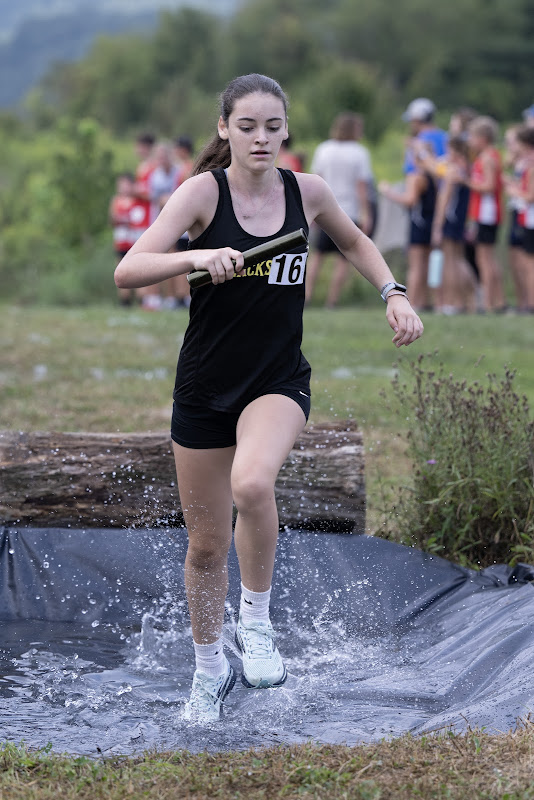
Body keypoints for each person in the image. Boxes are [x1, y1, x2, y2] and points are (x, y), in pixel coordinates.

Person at [114, 73, 423, 724]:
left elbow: (358, 241)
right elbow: (130, 268)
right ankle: (208, 672)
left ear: (287, 132)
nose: (261, 138)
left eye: (273, 127)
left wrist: (392, 292)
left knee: (253, 485)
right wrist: (195, 260)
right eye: (247, 126)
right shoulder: (201, 193)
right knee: (204, 546)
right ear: (224, 129)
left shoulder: (306, 192)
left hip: (277, 380)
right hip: (202, 387)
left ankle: (256, 623)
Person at [305, 112, 375, 307]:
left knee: (317, 256)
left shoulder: (324, 149)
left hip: (324, 210)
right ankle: (332, 301)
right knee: (343, 258)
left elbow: (316, 180)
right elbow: (362, 187)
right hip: (349, 211)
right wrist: (366, 213)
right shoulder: (359, 152)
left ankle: (307, 296)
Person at [379, 146, 437, 311]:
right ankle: (424, 300)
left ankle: (413, 302)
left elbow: (410, 200)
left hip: (418, 224)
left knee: (416, 265)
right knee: (425, 264)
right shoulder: (432, 176)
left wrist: (388, 192)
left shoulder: (417, 176)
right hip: (428, 223)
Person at [431, 137, 477, 313]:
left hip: (450, 218)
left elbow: (444, 199)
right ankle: (468, 299)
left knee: (450, 262)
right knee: (459, 259)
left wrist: (437, 225)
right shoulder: (467, 168)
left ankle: (453, 302)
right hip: (460, 219)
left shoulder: (453, 171)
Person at [466, 116, 506, 312]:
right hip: (484, 213)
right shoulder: (487, 156)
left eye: (473, 137)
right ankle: (497, 301)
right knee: (488, 258)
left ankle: (489, 303)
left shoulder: (488, 157)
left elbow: (489, 186)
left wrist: (465, 181)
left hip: (487, 213)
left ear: (483, 137)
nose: (471, 141)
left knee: (484, 259)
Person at [505, 125, 534, 312]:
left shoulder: (531, 164)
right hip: (526, 217)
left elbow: (530, 196)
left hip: (530, 218)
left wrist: (512, 189)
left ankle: (531, 304)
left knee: (529, 263)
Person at [109, 172, 141, 307]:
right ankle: (125, 301)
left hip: (134, 241)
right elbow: (112, 219)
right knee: (121, 270)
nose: (122, 188)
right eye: (120, 185)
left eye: (125, 184)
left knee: (138, 270)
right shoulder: (116, 201)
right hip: (121, 242)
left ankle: (142, 299)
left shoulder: (137, 201)